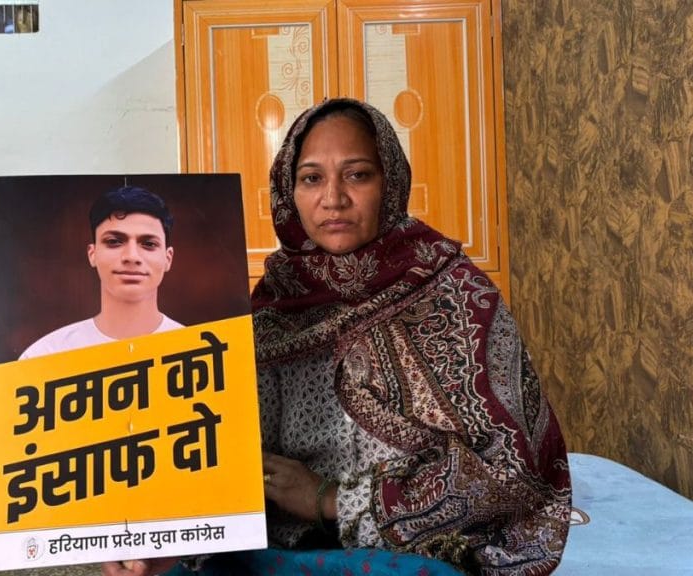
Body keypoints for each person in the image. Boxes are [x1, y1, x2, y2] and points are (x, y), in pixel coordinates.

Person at [103, 98, 571, 576]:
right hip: (273, 545)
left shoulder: (457, 296)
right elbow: (221, 452)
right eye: (311, 178)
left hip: (412, 554)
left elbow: (513, 471)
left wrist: (329, 499)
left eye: (357, 175)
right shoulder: (271, 306)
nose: (333, 198)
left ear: (390, 182)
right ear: (288, 191)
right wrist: (155, 539)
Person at [20, 185, 184, 360]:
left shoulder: (196, 351)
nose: (131, 256)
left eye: (149, 244)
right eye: (114, 241)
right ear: (92, 254)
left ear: (168, 258)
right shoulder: (45, 355)